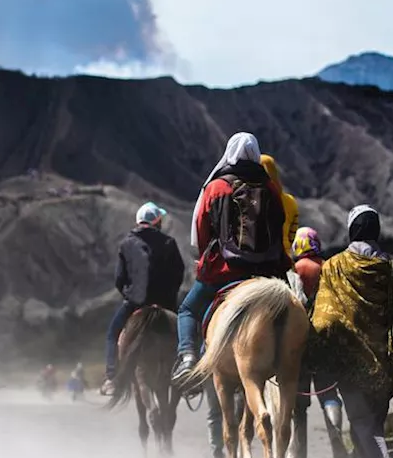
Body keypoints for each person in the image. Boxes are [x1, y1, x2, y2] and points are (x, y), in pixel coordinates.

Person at [309, 205, 393, 458]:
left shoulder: (334, 267)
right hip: (387, 359)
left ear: (351, 230)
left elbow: (323, 318)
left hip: (349, 360)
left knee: (360, 421)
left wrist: (318, 347)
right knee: (374, 420)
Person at [172, 132, 291, 386]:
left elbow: (201, 231)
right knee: (291, 312)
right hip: (267, 272)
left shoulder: (216, 187)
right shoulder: (270, 187)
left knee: (187, 309)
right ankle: (298, 362)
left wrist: (205, 259)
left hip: (224, 271)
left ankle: (188, 359)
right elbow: (280, 223)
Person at [100, 202, 186, 396]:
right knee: (187, 329)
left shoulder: (126, 243)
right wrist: (169, 296)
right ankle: (188, 372)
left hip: (135, 302)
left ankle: (112, 377)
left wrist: (131, 296)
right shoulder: (169, 242)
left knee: (113, 334)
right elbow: (178, 274)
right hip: (166, 302)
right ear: (157, 221)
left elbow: (119, 280)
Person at [288, 226, 348, 458]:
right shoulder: (328, 268)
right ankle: (338, 446)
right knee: (329, 395)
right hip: (326, 342)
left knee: (298, 404)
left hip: (299, 344)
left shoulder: (293, 271)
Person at [259, 154, 300, 259]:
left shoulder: (253, 201)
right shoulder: (290, 201)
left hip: (259, 259)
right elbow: (292, 235)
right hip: (284, 258)